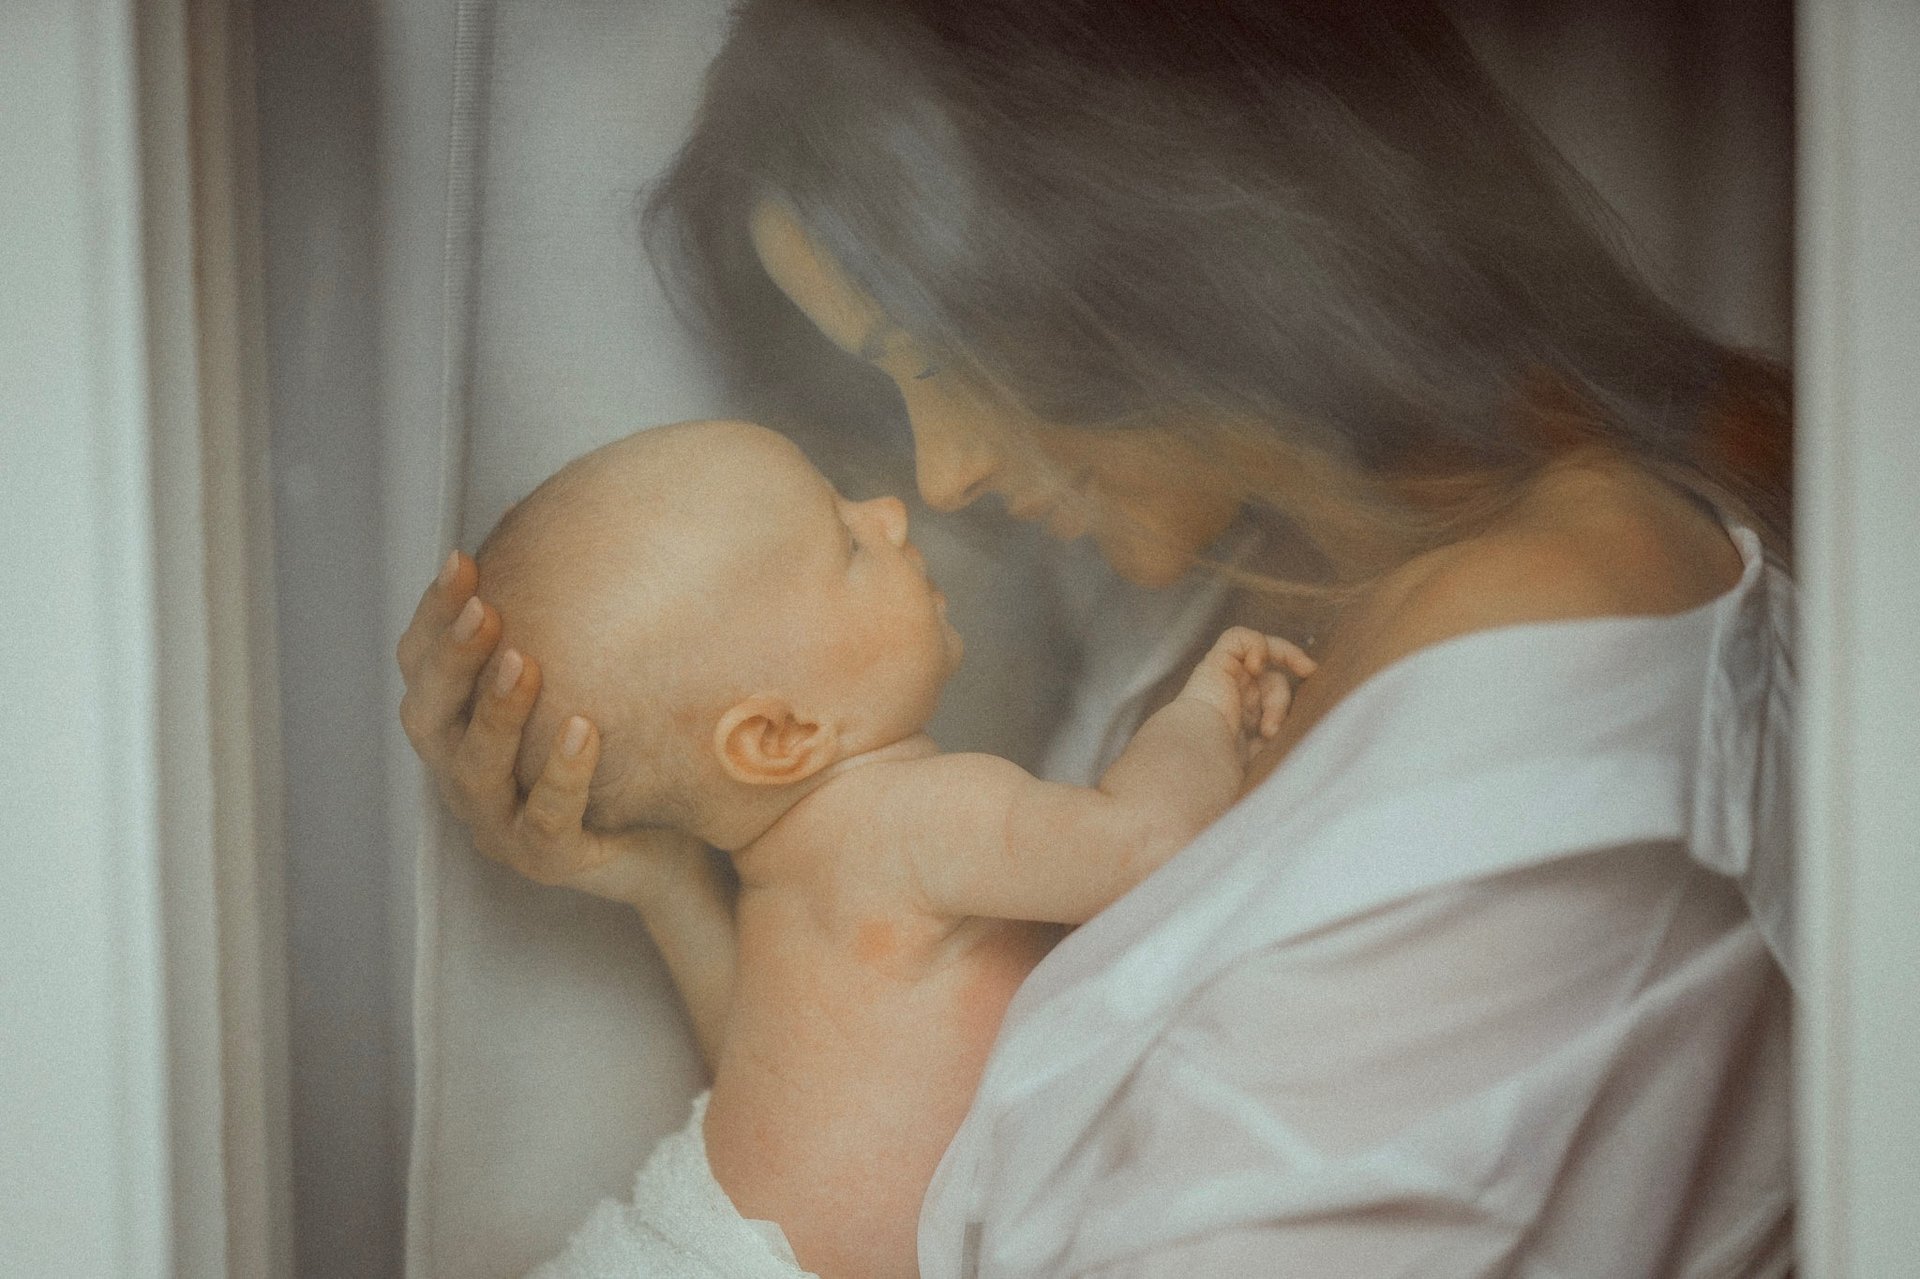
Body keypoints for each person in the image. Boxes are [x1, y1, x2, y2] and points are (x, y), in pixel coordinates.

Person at [397, 2, 1795, 1273]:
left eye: (941, 361)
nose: (938, 476)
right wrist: (656, 876)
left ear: (1145, 245)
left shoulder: (1549, 688)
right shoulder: (1237, 569)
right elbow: (859, 1141)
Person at [463, 418, 1312, 1278]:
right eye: (848, 542)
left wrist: (667, 885)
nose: (891, 513)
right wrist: (1206, 714)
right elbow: (1146, 845)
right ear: (778, 736)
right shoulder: (917, 818)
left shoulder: (784, 878)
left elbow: (771, 1096)